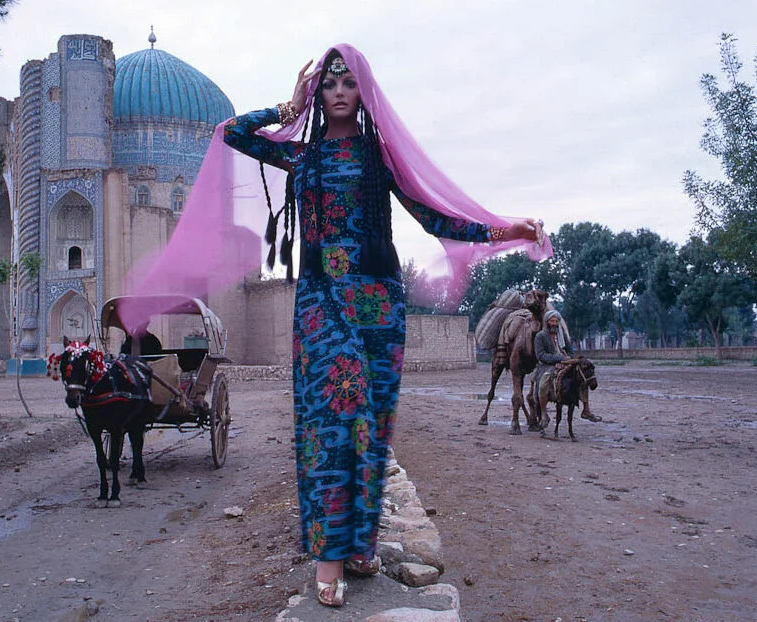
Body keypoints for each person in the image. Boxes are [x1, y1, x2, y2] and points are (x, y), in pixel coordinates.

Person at [223, 48, 544, 607]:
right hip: (322, 304)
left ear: (364, 91)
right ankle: (328, 554)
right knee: (329, 424)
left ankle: (361, 543)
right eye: (328, 84)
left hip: (378, 303)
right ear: (317, 96)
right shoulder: (302, 157)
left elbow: (433, 215)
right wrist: (285, 107)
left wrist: (503, 230)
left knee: (371, 425)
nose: (339, 91)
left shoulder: (381, 158)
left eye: (348, 82)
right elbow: (230, 132)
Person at [532, 310, 600, 423]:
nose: (554, 323)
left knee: (582, 376)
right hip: (546, 366)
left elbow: (570, 350)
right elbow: (540, 355)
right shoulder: (540, 336)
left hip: (565, 363)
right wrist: (558, 359)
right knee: (544, 382)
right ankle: (543, 412)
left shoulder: (561, 335)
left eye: (556, 321)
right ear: (547, 322)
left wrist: (569, 359)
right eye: (552, 321)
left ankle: (586, 409)